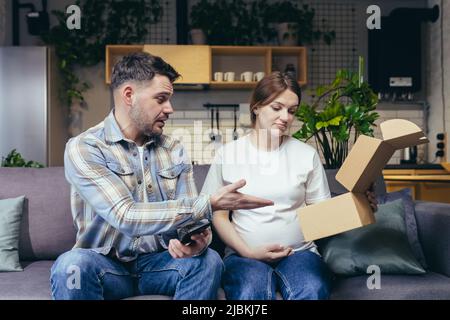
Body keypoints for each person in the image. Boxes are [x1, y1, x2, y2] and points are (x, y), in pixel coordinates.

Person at [50, 52, 273, 300]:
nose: (170, 109)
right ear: (128, 95)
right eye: (161, 99)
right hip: (105, 265)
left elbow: (193, 224)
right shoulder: (86, 147)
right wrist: (207, 204)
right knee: (71, 266)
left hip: (159, 264)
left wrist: (196, 240)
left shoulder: (173, 149)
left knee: (209, 261)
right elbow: (125, 215)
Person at [201, 72, 378, 300]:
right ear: (256, 107)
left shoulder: (306, 155)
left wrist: (357, 206)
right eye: (277, 108)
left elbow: (321, 215)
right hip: (243, 256)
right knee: (249, 292)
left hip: (299, 254)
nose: (285, 117)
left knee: (312, 289)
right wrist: (249, 252)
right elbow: (219, 216)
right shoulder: (228, 154)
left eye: (292, 110)